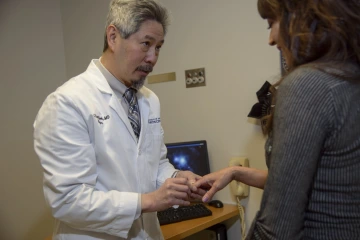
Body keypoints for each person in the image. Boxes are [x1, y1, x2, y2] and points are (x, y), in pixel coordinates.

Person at [33, 1, 204, 239]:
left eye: (159, 47)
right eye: (146, 44)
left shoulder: (149, 100)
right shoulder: (67, 103)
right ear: (113, 37)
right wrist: (147, 202)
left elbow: (154, 163)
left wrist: (175, 180)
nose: (153, 58)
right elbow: (67, 200)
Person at [195, 0, 360, 239]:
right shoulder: (348, 78)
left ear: (302, 17)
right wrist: (236, 172)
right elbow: (324, 181)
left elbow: (276, 230)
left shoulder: (308, 85)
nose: (271, 38)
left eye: (272, 23)